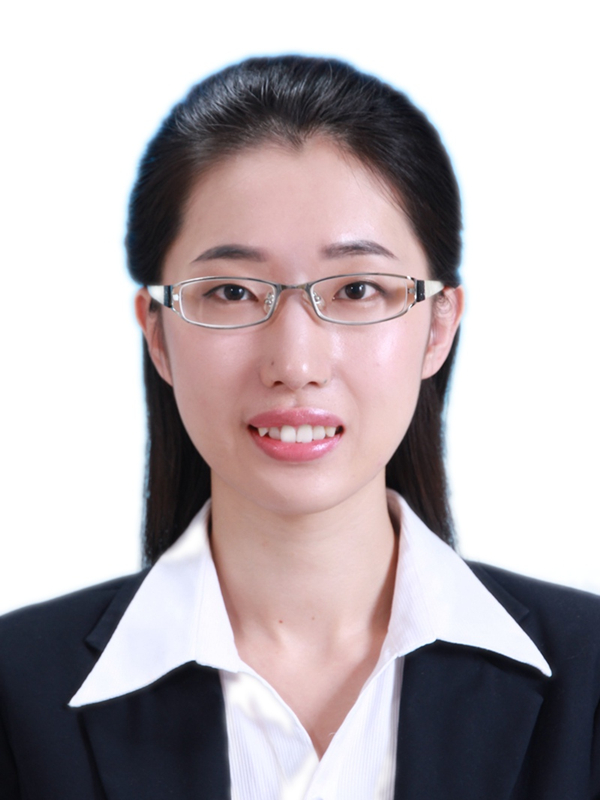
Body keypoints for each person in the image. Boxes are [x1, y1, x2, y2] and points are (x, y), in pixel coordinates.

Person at [0, 55, 598, 800]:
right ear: (158, 333)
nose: (295, 363)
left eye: (357, 288)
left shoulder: (588, 678)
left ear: (439, 326)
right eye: (230, 291)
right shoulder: (17, 694)